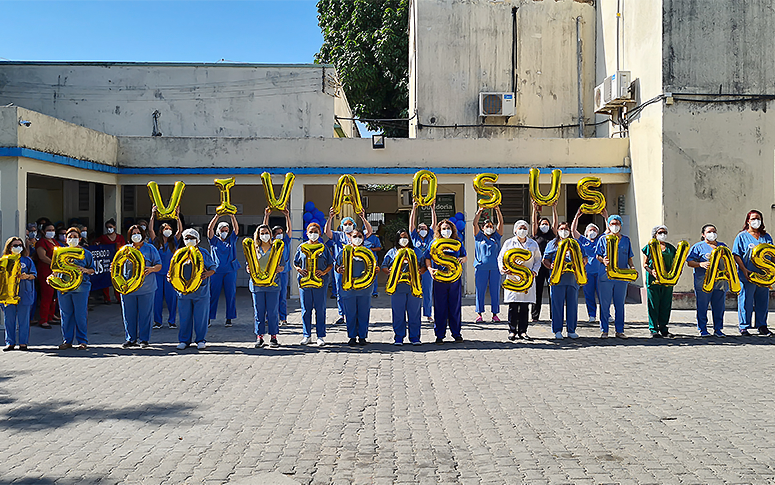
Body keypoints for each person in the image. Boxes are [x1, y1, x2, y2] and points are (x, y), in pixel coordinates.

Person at [324, 207, 373, 325]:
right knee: (340, 291)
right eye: (345, 224)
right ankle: (342, 314)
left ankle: (354, 313)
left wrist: (363, 217)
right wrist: (330, 217)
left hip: (356, 267)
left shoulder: (357, 235)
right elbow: (327, 232)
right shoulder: (338, 235)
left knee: (355, 289)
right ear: (341, 226)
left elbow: (369, 231)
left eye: (350, 224)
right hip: (341, 267)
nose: (347, 226)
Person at [117, 225, 162, 348]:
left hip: (146, 288)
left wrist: (152, 269)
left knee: (145, 314)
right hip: (128, 288)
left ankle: (144, 339)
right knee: (128, 314)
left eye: (138, 232)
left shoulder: (150, 249)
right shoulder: (124, 249)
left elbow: (159, 265)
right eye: (133, 233)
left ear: (143, 234)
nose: (136, 235)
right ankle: (131, 339)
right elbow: (117, 265)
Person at [425, 216, 467, 344]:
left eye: (448, 228)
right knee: (440, 307)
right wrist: (430, 269)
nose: (446, 230)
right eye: (444, 228)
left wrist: (462, 260)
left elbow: (464, 256)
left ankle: (456, 333)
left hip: (454, 280)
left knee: (455, 307)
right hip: (440, 280)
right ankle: (439, 335)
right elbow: (427, 257)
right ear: (439, 230)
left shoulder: (457, 243)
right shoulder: (434, 243)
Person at [498, 220, 541, 340]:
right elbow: (501, 258)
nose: (522, 230)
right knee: (513, 306)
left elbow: (538, 259)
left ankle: (523, 331)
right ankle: (512, 331)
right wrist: (503, 269)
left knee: (524, 307)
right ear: (515, 230)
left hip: (527, 279)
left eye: (524, 228)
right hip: (513, 278)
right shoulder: (509, 243)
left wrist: (534, 271)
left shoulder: (533, 244)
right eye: (520, 228)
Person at [381, 229, 425, 345]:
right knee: (398, 314)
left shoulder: (416, 251)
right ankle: (399, 337)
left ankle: (415, 337)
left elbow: (423, 265)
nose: (403, 239)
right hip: (397, 288)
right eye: (401, 237)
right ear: (397, 239)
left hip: (413, 287)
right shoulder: (392, 252)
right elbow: (384, 266)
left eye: (406, 237)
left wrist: (419, 271)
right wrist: (389, 271)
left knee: (414, 313)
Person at [733, 210, 774, 336]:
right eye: (753, 218)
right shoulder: (742, 236)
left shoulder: (766, 237)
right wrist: (744, 269)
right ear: (748, 221)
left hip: (763, 276)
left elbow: (771, 254)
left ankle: (762, 325)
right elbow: (736, 254)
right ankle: (744, 326)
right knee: (746, 300)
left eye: (759, 218)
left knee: (762, 301)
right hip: (748, 275)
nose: (756, 221)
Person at [174, 229, 216, 350]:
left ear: (197, 240)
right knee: (184, 317)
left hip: (201, 292)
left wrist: (207, 273)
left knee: (200, 317)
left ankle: (201, 340)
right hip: (184, 291)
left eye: (191, 237)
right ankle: (184, 340)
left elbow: (213, 267)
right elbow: (173, 268)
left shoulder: (203, 253)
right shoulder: (180, 253)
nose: (189, 240)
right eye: (186, 238)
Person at [543, 221, 584, 339]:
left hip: (572, 280)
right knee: (557, 305)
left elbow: (584, 257)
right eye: (561, 229)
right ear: (557, 230)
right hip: (557, 280)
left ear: (570, 231)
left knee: (572, 305)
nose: (564, 231)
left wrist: (582, 264)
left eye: (566, 229)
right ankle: (557, 330)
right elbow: (545, 259)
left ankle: (571, 330)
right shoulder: (552, 244)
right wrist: (549, 265)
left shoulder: (576, 243)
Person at [595, 214, 634, 338]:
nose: (615, 226)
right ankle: (604, 330)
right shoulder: (603, 239)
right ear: (608, 225)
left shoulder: (626, 240)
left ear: (621, 225)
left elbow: (629, 256)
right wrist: (603, 261)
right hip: (606, 276)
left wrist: (632, 267)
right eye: (612, 224)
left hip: (622, 277)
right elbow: (598, 255)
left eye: (617, 224)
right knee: (605, 304)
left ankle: (619, 330)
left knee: (620, 304)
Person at [57, 227, 95, 350]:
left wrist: (85, 270)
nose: (72, 239)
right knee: (66, 314)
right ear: (65, 238)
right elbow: (55, 269)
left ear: (79, 238)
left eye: (74, 237)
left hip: (81, 287)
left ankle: (82, 340)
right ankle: (67, 340)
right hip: (64, 287)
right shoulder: (60, 253)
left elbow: (93, 270)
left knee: (80, 314)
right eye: (69, 237)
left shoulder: (86, 254)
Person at [294, 222, 333, 346]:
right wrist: (299, 269)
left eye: (315, 232)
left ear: (320, 234)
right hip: (305, 283)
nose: (313, 234)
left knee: (320, 309)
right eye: (311, 232)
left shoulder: (323, 248)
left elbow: (330, 264)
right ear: (306, 233)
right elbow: (296, 262)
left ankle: (320, 336)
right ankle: (307, 335)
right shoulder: (301, 247)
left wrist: (323, 272)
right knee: (306, 309)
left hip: (320, 283)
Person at [250, 224, 288, 348]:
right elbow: (248, 263)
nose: (264, 235)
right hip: (257, 286)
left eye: (266, 232)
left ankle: (273, 336)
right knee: (259, 312)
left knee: (272, 312)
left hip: (273, 284)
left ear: (270, 234)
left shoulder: (276, 249)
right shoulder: (254, 249)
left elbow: (282, 265)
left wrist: (279, 268)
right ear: (258, 235)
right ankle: (259, 337)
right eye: (262, 233)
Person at [687, 224, 727, 337]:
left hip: (720, 282)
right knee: (702, 306)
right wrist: (700, 264)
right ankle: (703, 329)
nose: (712, 233)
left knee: (719, 307)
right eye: (709, 231)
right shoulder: (698, 247)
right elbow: (690, 262)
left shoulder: (722, 246)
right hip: (703, 282)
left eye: (714, 231)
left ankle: (718, 329)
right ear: (703, 234)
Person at [335, 229, 373, 345]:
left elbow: (373, 267)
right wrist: (338, 269)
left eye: (360, 236)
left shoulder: (368, 252)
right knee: (350, 314)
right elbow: (337, 265)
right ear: (350, 238)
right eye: (355, 236)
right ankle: (351, 336)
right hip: (348, 289)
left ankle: (362, 336)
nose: (357, 238)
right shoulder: (344, 252)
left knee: (363, 313)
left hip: (364, 289)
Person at [571, 207, 608, 323]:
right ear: (586, 232)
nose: (592, 232)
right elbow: (573, 231)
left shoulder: (600, 240)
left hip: (600, 272)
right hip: (587, 273)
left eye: (595, 230)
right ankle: (592, 314)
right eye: (590, 230)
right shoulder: (583, 240)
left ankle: (606, 314)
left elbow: (609, 231)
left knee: (603, 295)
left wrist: (606, 217)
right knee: (589, 295)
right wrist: (576, 216)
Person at [149, 207, 183, 329]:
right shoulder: (156, 241)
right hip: (157, 273)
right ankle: (157, 321)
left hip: (170, 274)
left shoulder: (173, 241)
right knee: (157, 298)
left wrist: (177, 216)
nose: (168, 231)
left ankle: (172, 321)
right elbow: (150, 230)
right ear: (161, 230)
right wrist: (153, 215)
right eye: (165, 229)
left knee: (172, 298)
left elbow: (180, 230)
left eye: (169, 229)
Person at [2, 237, 36, 351]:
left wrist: (27, 276)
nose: (18, 247)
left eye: (20, 245)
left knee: (24, 320)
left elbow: (34, 275)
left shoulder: (27, 260)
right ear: (9, 247)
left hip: (24, 293)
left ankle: (23, 343)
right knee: (9, 319)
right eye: (15, 245)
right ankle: (10, 342)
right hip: (8, 295)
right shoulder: (4, 260)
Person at [642, 225, 676, 338]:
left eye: (665, 232)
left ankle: (664, 328)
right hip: (653, 280)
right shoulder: (650, 247)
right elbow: (645, 264)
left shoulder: (671, 248)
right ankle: (653, 328)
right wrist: (651, 272)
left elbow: (676, 262)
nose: (663, 234)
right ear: (655, 234)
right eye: (660, 232)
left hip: (667, 280)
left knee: (666, 305)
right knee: (653, 304)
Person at [207, 212, 240, 327]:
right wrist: (217, 216)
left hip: (230, 271)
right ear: (218, 231)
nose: (224, 232)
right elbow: (209, 229)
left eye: (226, 230)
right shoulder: (214, 241)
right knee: (213, 294)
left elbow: (236, 229)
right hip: (216, 272)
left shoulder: (231, 240)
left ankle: (229, 318)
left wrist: (232, 216)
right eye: (222, 230)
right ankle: (209, 318)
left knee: (230, 294)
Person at [473, 206, 504, 323]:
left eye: (491, 226)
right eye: (487, 226)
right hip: (481, 268)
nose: (489, 228)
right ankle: (479, 314)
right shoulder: (478, 237)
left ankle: (495, 314)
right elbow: (474, 224)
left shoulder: (496, 236)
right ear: (483, 228)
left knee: (495, 291)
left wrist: (497, 210)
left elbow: (501, 222)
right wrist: (480, 211)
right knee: (480, 291)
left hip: (495, 268)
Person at [530, 200, 558, 322]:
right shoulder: (536, 235)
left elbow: (556, 223)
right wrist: (534, 209)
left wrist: (554, 208)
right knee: (537, 291)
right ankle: (535, 316)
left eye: (546, 224)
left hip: (551, 266)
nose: (544, 225)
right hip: (539, 266)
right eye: (543, 224)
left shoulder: (553, 235)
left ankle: (554, 315)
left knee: (553, 291)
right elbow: (533, 223)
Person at [409, 201, 437, 323]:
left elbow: (434, 224)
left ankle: (428, 314)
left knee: (427, 290)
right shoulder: (414, 236)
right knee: (414, 291)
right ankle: (413, 314)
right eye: (420, 228)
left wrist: (433, 209)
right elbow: (411, 224)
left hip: (427, 267)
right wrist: (414, 208)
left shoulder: (430, 236)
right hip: (415, 267)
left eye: (424, 228)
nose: (422, 230)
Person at [264, 207, 292, 326]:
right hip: (271, 272)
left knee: (282, 296)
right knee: (269, 296)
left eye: (281, 233)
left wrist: (287, 216)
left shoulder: (285, 242)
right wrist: (266, 216)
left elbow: (290, 230)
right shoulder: (270, 243)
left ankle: (283, 318)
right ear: (273, 235)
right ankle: (267, 317)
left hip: (283, 271)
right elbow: (263, 229)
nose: (280, 235)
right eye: (278, 233)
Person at [35, 223, 60, 329]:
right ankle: (43, 319)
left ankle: (51, 315)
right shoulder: (41, 243)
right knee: (47, 295)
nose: (51, 231)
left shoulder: (54, 242)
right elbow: (42, 257)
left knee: (54, 295)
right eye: (49, 230)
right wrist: (54, 264)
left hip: (55, 272)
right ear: (43, 231)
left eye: (53, 229)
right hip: (45, 271)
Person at [95, 219, 126, 304]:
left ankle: (118, 298)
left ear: (114, 227)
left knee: (117, 279)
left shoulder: (120, 237)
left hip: (118, 261)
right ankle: (107, 298)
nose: (109, 229)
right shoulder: (103, 238)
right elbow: (95, 244)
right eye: (107, 227)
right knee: (106, 279)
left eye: (111, 227)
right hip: (106, 261)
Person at [367, 229, 382, 298]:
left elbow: (379, 248)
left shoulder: (374, 238)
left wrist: (370, 249)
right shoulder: (360, 237)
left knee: (374, 276)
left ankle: (374, 292)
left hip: (373, 260)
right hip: (363, 260)